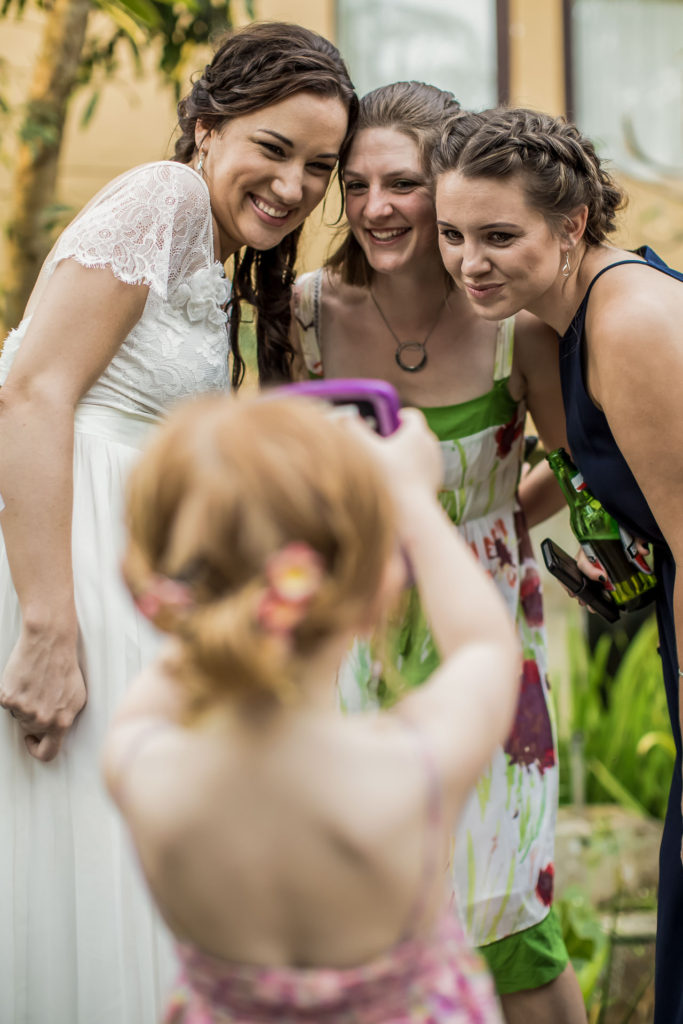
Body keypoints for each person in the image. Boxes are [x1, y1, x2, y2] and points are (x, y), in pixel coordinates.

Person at [0, 21, 356, 1024]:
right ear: (204, 127)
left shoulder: (206, 237)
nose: (294, 186)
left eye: (318, 167)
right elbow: (28, 396)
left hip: (124, 570)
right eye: (273, 150)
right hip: (67, 570)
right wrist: (46, 624)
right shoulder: (159, 197)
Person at [289, 83, 586, 1024]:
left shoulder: (516, 329)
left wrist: (491, 521)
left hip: (483, 637)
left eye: (404, 184)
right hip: (345, 645)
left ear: (448, 186)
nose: (375, 207)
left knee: (508, 914)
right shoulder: (302, 314)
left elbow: (575, 472)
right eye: (357, 183)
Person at [103, 391, 519, 1023]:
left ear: (169, 592)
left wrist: (218, 588)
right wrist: (408, 498)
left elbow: (190, 647)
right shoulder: (414, 771)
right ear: (381, 585)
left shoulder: (139, 765)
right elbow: (486, 646)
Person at [430, 105, 683, 1024]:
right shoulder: (549, 326)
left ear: (571, 224)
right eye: (451, 235)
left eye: (498, 235)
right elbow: (576, 470)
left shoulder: (631, 321)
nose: (467, 261)